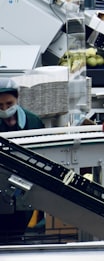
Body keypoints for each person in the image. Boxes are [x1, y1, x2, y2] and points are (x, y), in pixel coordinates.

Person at [0, 79, 45, 242]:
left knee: (17, 232)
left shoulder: (32, 122)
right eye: (0, 106)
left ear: (17, 98)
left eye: (8, 103)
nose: (5, 109)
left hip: (24, 187)